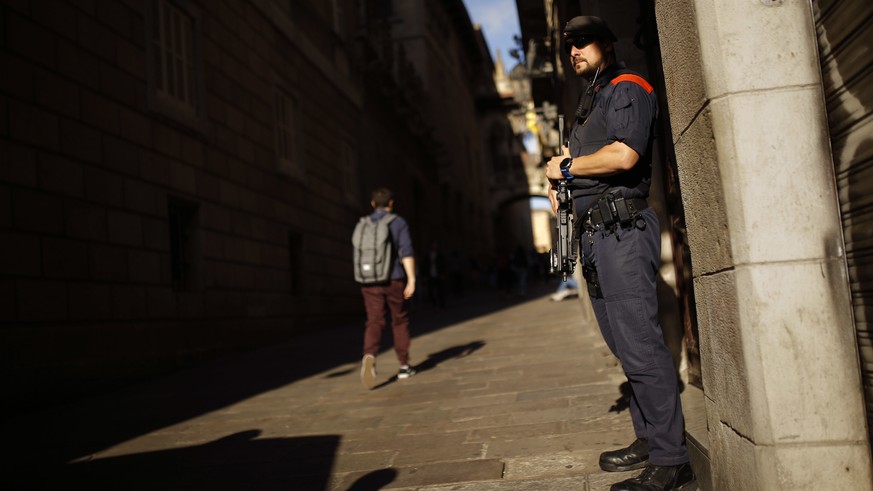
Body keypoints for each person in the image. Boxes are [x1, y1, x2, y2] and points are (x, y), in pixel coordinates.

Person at [545, 16, 695, 491]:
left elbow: (625, 156)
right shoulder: (591, 99)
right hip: (595, 237)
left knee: (641, 344)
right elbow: (585, 165)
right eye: (569, 46)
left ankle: (673, 458)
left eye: (583, 43)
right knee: (623, 344)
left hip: (623, 231)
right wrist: (559, 188)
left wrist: (567, 166)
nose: (575, 51)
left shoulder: (627, 86)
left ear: (607, 45)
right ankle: (650, 439)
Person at [357, 188, 416, 389]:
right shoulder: (398, 222)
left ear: (373, 204)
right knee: (399, 320)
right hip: (394, 279)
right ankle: (403, 365)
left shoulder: (364, 224)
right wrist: (411, 279)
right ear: (391, 203)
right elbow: (405, 251)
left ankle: (369, 354)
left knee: (374, 321)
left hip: (369, 281)